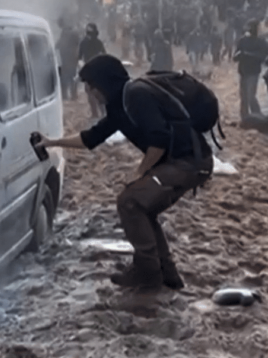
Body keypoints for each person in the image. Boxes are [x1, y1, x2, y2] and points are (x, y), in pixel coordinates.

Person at [35, 54, 214, 290]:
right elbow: (91, 138)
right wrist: (51, 142)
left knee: (130, 201)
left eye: (90, 86)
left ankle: (148, 273)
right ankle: (166, 274)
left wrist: (140, 171)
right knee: (143, 208)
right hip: (181, 162)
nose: (89, 92)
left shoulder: (136, 95)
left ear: (104, 83)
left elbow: (159, 139)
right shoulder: (120, 104)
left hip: (190, 163)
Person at [233, 19, 268, 119]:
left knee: (250, 96)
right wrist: (239, 55)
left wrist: (247, 54)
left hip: (253, 72)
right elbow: (235, 57)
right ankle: (246, 116)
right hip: (244, 71)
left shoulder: (261, 42)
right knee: (244, 97)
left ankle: (256, 116)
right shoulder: (243, 40)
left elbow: (263, 57)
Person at [78, 22, 107, 118]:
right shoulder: (84, 43)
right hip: (89, 70)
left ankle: (103, 113)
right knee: (90, 92)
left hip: (97, 70)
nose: (89, 35)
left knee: (98, 92)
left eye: (90, 32)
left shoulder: (98, 43)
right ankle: (95, 113)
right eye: (88, 32)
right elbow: (79, 57)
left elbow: (104, 54)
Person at [56, 17, 81, 101]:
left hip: (68, 58)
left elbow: (60, 44)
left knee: (67, 76)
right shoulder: (73, 32)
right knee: (70, 76)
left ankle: (67, 95)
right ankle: (72, 95)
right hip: (70, 58)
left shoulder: (68, 33)